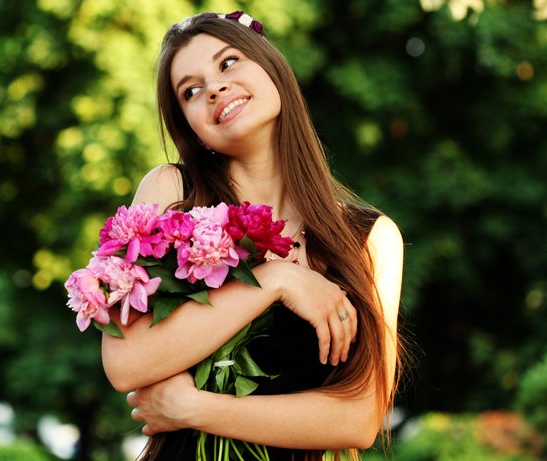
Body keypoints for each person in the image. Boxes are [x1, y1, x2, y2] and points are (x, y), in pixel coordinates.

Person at [100, 11, 404, 461]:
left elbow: (358, 420)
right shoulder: (173, 195)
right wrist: (277, 281)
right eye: (191, 90)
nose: (215, 88)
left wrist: (194, 408)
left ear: (272, 68)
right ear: (191, 129)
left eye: (228, 63)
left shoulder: (371, 237)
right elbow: (126, 364)